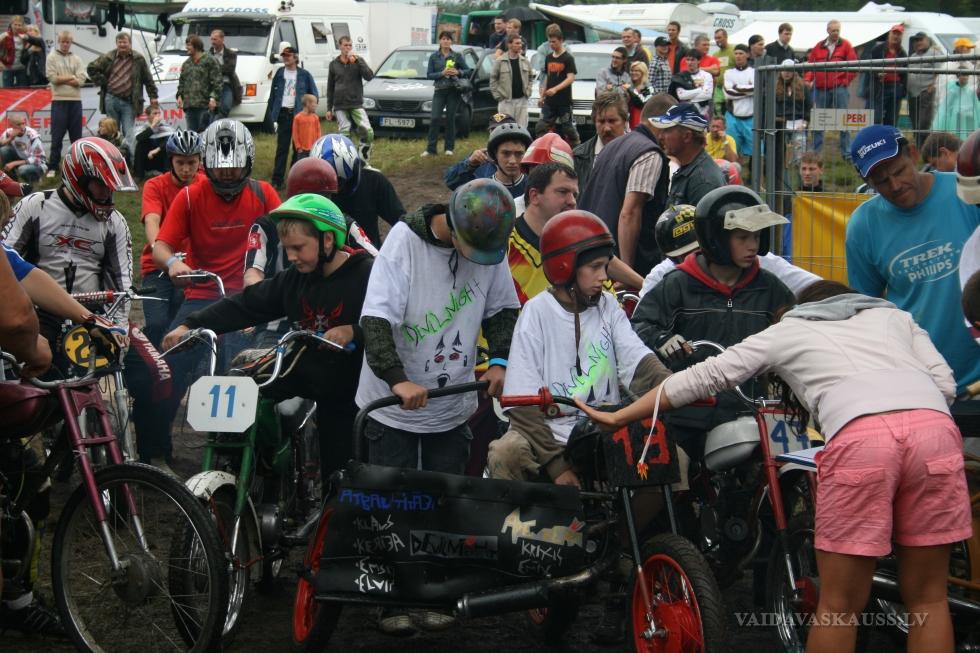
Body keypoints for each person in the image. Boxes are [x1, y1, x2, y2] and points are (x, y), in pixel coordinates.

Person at [583, 279, 970, 653]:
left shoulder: (788, 330)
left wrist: (620, 417)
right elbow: (946, 386)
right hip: (934, 432)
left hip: (861, 437)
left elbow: (705, 376)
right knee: (929, 600)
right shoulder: (895, 317)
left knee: (839, 607)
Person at [356, 180, 519, 635]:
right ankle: (389, 596)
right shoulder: (404, 244)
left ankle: (435, 589)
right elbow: (375, 319)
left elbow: (503, 310)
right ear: (452, 224)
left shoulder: (490, 248)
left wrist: (500, 361)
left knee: (445, 501)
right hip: (393, 404)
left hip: (451, 403)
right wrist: (398, 379)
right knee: (392, 501)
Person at [163, 192, 373, 479]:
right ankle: (255, 469)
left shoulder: (367, 274)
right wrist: (190, 324)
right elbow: (246, 304)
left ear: (327, 240)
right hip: (305, 369)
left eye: (298, 248)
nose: (291, 257)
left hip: (350, 385)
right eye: (287, 249)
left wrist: (355, 331)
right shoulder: (294, 279)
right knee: (244, 383)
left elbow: (398, 322)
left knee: (339, 475)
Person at [490, 208, 670, 486]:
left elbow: (639, 362)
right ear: (565, 266)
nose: (604, 277)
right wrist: (557, 466)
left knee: (674, 457)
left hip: (605, 426)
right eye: (595, 267)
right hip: (549, 432)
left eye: (605, 267)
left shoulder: (608, 306)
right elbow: (521, 402)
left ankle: (642, 517)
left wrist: (676, 385)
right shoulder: (537, 312)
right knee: (506, 453)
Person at [630, 186, 795, 462]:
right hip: (692, 411)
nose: (753, 246)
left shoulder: (770, 288)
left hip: (753, 407)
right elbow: (640, 324)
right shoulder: (678, 284)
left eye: (756, 236)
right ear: (715, 238)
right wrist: (661, 340)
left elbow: (796, 327)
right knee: (681, 471)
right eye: (743, 237)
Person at [153, 120, 280, 431]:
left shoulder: (263, 193)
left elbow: (287, 235)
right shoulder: (189, 196)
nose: (226, 174)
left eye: (233, 168)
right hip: (203, 294)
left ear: (248, 163)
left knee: (243, 368)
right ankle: (157, 444)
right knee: (168, 366)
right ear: (207, 164)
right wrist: (172, 263)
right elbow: (161, 246)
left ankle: (241, 441)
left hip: (249, 298)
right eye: (220, 168)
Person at [845, 124, 980, 395]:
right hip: (920, 380)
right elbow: (866, 311)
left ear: (914, 155)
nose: (895, 186)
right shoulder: (863, 227)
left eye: (899, 171)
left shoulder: (964, 191)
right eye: (881, 182)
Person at [510, 162, 643, 304]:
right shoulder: (504, 243)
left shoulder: (582, 238)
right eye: (562, 192)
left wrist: (646, 285)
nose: (572, 201)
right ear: (534, 196)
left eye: (575, 194)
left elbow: (607, 260)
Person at [579, 94, 674, 276]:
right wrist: (627, 272)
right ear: (662, 122)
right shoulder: (648, 153)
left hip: (594, 257)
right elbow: (629, 213)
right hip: (619, 267)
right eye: (672, 127)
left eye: (612, 120)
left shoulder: (611, 147)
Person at [641, 203, 821, 297]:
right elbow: (642, 326)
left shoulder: (755, 261)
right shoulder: (660, 277)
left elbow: (814, 286)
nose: (693, 258)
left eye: (699, 249)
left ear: (712, 241)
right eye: (681, 257)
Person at [140, 130, 206, 349]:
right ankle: (150, 362)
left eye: (191, 162)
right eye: (180, 163)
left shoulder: (206, 184)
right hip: (157, 267)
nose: (186, 169)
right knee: (157, 324)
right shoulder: (155, 185)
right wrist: (160, 251)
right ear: (170, 161)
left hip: (192, 267)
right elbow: (152, 220)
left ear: (200, 161)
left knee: (184, 324)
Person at [310, 133, 404, 246]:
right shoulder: (309, 192)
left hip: (369, 254)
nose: (337, 189)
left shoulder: (375, 182)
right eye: (329, 183)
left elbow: (401, 222)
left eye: (341, 181)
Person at [87, 32, 159, 154]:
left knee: (129, 132)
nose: (122, 45)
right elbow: (91, 68)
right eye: (119, 42)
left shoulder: (138, 59)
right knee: (111, 132)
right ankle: (112, 158)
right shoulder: (109, 57)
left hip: (129, 102)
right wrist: (103, 81)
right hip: (111, 99)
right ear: (116, 44)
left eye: (124, 42)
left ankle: (131, 160)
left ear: (130, 43)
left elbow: (148, 78)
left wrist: (153, 96)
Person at [444, 122, 531, 210]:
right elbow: (452, 183)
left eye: (519, 154)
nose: (512, 161)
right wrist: (469, 164)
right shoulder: (481, 188)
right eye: (506, 153)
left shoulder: (533, 187)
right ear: (494, 155)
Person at [653, 103, 726, 208]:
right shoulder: (689, 169)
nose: (660, 137)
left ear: (687, 136)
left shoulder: (703, 182)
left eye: (667, 130)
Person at [266, 43, 317, 189]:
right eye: (284, 56)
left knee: (298, 148)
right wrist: (272, 115)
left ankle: (295, 178)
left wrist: (309, 112)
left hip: (299, 115)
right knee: (282, 148)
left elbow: (314, 94)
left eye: (288, 56)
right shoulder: (279, 73)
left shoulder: (304, 75)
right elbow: (273, 95)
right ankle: (277, 180)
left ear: (295, 58)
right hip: (283, 114)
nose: (286, 58)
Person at [805, 21, 858, 161]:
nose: (836, 33)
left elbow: (854, 66)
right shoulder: (818, 46)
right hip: (821, 89)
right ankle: (816, 152)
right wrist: (808, 79)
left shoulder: (846, 45)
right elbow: (811, 65)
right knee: (819, 120)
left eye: (838, 30)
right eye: (833, 30)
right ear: (828, 31)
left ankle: (846, 153)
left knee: (844, 121)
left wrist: (845, 81)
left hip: (839, 88)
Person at [326, 35, 375, 161]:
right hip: (340, 105)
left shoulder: (358, 61)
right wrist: (329, 108)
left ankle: (363, 160)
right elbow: (330, 87)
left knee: (368, 132)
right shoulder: (333, 64)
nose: (348, 48)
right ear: (340, 46)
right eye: (345, 45)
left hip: (356, 103)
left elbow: (369, 76)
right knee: (344, 135)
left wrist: (358, 61)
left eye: (350, 45)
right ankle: (347, 161)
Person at [45, 30, 85, 177]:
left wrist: (64, 78)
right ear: (59, 42)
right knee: (57, 136)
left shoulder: (77, 59)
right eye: (63, 41)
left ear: (71, 43)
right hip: (59, 100)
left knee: (76, 136)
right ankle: (53, 166)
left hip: (75, 101)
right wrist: (72, 77)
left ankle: (77, 166)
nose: (65, 44)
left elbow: (81, 80)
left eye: (68, 42)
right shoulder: (51, 57)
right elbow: (53, 78)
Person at [422, 31, 469, 157]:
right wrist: (442, 73)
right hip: (439, 91)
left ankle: (449, 148)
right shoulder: (434, 57)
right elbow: (429, 75)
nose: (446, 41)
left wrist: (458, 72)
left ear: (451, 41)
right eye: (443, 39)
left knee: (450, 119)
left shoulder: (457, 56)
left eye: (448, 39)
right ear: (440, 41)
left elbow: (468, 70)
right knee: (435, 118)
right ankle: (431, 149)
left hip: (453, 91)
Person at [573, 90, 628, 187]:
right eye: (601, 122)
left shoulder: (639, 154)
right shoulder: (578, 156)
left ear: (625, 121)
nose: (607, 128)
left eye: (612, 121)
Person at [536, 23, 579, 147]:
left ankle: (576, 149)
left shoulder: (567, 58)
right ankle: (541, 149)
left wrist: (555, 89)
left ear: (561, 41)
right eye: (550, 42)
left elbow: (570, 78)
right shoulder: (548, 57)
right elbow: (546, 77)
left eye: (554, 42)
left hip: (563, 101)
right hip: (550, 101)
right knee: (541, 127)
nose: (551, 44)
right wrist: (542, 96)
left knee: (568, 128)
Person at [774, 60, 812, 196]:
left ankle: (801, 188)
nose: (787, 73)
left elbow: (809, 107)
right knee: (784, 160)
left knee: (799, 159)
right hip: (781, 127)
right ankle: (786, 189)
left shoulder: (804, 87)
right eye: (784, 70)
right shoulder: (775, 87)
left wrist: (806, 123)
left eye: (790, 70)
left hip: (799, 126)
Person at [176, 35, 221, 133]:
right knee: (191, 136)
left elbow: (217, 81)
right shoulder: (186, 64)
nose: (186, 47)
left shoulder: (210, 60)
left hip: (205, 106)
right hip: (189, 106)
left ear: (196, 46)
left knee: (205, 135)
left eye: (189, 45)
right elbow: (182, 82)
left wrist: (213, 98)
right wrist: (179, 95)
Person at [490, 34, 532, 128]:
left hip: (522, 101)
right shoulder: (500, 61)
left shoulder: (525, 61)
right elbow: (493, 79)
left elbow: (530, 77)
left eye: (520, 43)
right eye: (517, 43)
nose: (520, 45)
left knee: (522, 129)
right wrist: (498, 96)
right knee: (506, 128)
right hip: (506, 102)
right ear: (509, 45)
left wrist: (528, 91)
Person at [868, 25, 907, 127]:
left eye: (898, 34)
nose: (896, 36)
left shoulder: (903, 53)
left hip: (895, 88)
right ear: (889, 34)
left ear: (901, 36)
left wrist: (902, 90)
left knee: (892, 120)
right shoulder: (877, 49)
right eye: (894, 33)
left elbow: (904, 75)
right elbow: (868, 67)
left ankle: (888, 137)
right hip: (879, 87)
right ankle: (875, 137)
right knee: (875, 119)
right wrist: (877, 74)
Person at [723, 45, 755, 171]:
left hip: (751, 117)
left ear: (747, 55)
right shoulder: (728, 73)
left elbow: (756, 89)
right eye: (736, 53)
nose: (738, 56)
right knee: (733, 151)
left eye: (741, 53)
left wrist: (736, 87)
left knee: (756, 152)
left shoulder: (754, 72)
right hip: (733, 117)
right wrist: (748, 90)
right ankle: (735, 177)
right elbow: (728, 93)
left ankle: (754, 179)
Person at [907, 32, 940, 149]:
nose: (918, 42)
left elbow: (940, 72)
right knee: (914, 122)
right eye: (916, 41)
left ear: (927, 40)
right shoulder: (913, 56)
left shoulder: (935, 54)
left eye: (921, 40)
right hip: (912, 94)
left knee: (923, 122)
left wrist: (933, 86)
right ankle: (918, 148)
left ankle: (925, 148)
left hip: (926, 93)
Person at [932, 66, 980, 139]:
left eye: (967, 75)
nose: (965, 77)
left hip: (969, 122)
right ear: (958, 76)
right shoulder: (952, 92)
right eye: (963, 75)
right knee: (957, 139)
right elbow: (944, 111)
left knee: (968, 138)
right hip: (956, 122)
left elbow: (977, 110)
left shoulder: (971, 92)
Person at [0, 113, 46, 183]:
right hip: (22, 158)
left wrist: (14, 163)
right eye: (18, 124)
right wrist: (10, 138)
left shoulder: (33, 135)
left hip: (38, 164)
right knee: (4, 150)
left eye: (23, 123)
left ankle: (35, 180)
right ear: (11, 126)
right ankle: (13, 181)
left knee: (22, 169)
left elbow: (38, 159)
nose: (22, 127)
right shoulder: (9, 132)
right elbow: (1, 144)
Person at [132, 104, 173, 179]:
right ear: (148, 116)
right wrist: (153, 126)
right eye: (155, 113)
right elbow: (139, 138)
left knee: (168, 143)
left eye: (159, 113)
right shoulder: (143, 127)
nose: (157, 115)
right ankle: (139, 175)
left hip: (160, 156)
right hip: (148, 159)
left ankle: (168, 175)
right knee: (141, 144)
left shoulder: (165, 126)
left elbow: (171, 140)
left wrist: (157, 150)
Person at [209, 29, 241, 119]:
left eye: (215, 39)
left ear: (222, 39)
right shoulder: (207, 54)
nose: (212, 42)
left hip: (226, 85)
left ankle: (215, 124)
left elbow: (229, 69)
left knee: (225, 106)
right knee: (210, 110)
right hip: (211, 86)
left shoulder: (231, 54)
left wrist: (213, 68)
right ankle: (212, 125)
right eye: (211, 39)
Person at [673, 51, 713, 118]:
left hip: (703, 114)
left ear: (699, 61)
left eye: (692, 60)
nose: (690, 62)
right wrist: (700, 90)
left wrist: (688, 97)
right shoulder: (680, 76)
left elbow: (708, 95)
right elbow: (681, 96)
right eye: (688, 60)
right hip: (686, 114)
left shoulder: (706, 75)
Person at [0, 16, 28, 88]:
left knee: (22, 91)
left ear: (22, 26)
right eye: (15, 24)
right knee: (8, 91)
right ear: (11, 24)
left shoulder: (25, 36)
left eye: (19, 25)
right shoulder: (5, 35)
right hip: (7, 68)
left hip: (22, 68)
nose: (17, 27)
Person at [292, 94, 320, 161]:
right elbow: (295, 134)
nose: (316, 105)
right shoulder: (298, 118)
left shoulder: (315, 117)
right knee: (303, 165)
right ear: (308, 104)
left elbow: (318, 132)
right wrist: (298, 147)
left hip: (314, 148)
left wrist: (318, 144)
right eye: (315, 103)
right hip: (302, 150)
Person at [627, 61, 652, 128]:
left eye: (636, 71)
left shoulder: (648, 87)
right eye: (632, 70)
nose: (633, 73)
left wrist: (631, 90)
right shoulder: (629, 84)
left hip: (641, 118)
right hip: (629, 119)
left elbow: (643, 104)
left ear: (642, 72)